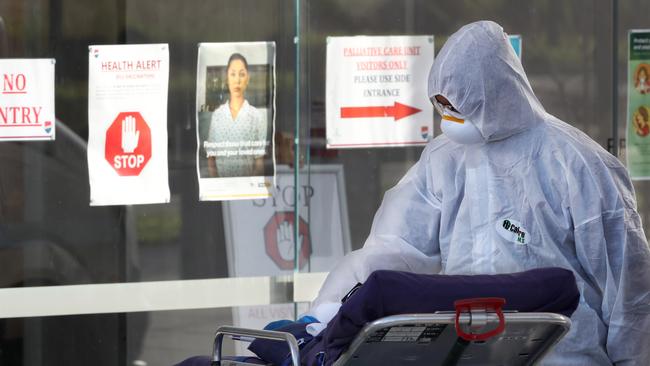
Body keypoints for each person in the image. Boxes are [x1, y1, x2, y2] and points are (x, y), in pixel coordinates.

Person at [307, 21, 650, 365]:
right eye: (443, 105)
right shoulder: (444, 160)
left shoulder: (579, 164)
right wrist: (331, 311)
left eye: (459, 104)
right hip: (468, 352)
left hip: (564, 357)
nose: (449, 116)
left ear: (499, 92)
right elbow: (395, 247)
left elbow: (629, 293)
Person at [205, 53, 267, 177]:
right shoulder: (217, 116)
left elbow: (259, 162)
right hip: (222, 191)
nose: (237, 80)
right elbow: (211, 159)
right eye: (233, 74)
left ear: (247, 79)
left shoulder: (256, 116)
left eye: (242, 74)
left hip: (246, 191)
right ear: (227, 79)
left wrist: (248, 189)